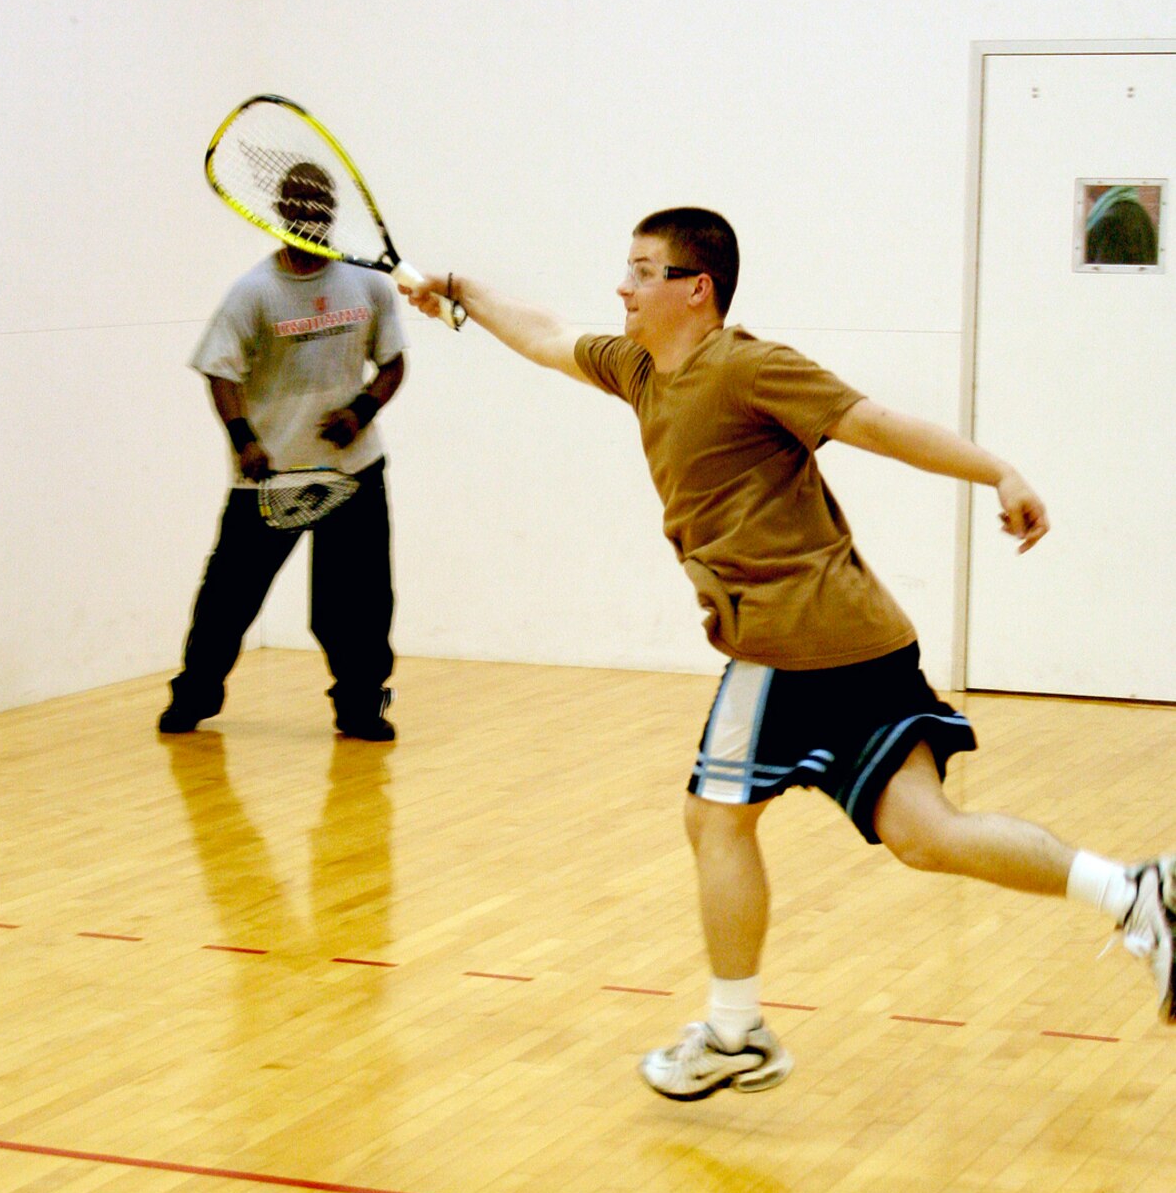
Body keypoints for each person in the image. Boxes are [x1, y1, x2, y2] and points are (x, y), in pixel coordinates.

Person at [401, 209, 1175, 1098]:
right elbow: (541, 335)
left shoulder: (748, 366)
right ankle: (1134, 891)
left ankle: (733, 1034)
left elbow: (872, 421)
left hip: (786, 636)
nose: (621, 286)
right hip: (858, 634)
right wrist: (459, 289)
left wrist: (994, 469)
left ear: (696, 288)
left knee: (715, 817)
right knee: (925, 835)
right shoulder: (639, 368)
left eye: (643, 270)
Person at [160, 160, 404, 742]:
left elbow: (392, 363)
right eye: (297, 205)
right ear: (279, 211)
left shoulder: (367, 284)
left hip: (353, 474)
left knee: (357, 608)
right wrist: (245, 441)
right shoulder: (253, 294)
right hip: (270, 480)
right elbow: (221, 373)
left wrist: (361, 412)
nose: (309, 217)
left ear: (332, 213)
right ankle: (194, 694)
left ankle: (362, 706)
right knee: (227, 601)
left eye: (320, 207)